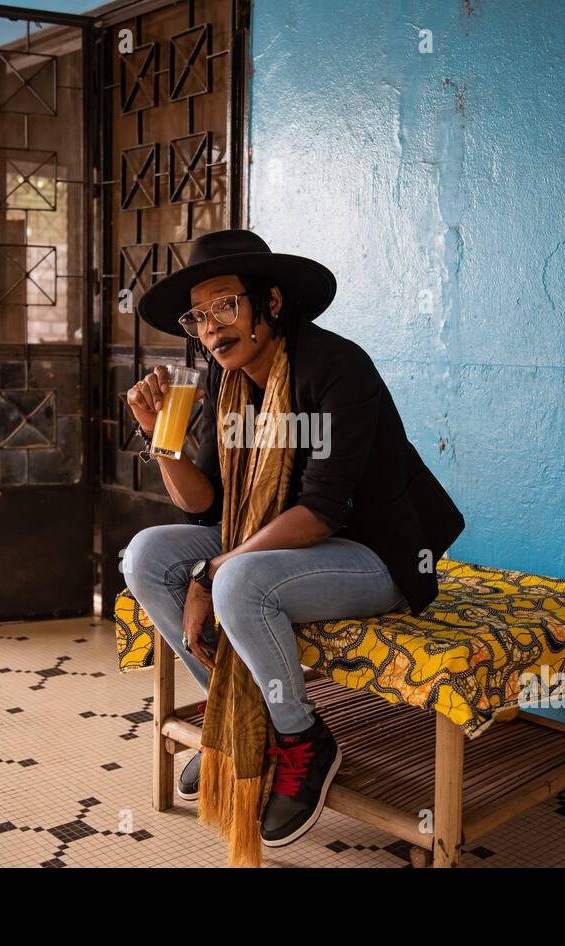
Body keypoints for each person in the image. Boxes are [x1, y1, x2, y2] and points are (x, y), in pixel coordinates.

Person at [122, 228, 465, 863]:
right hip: (288, 551)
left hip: (375, 554)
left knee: (233, 582)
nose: (211, 327)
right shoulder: (229, 385)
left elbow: (321, 512)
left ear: (271, 303)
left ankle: (303, 740)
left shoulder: (336, 368)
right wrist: (161, 433)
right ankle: (233, 731)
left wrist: (210, 571)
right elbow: (203, 503)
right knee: (143, 554)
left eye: (226, 305)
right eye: (198, 316)